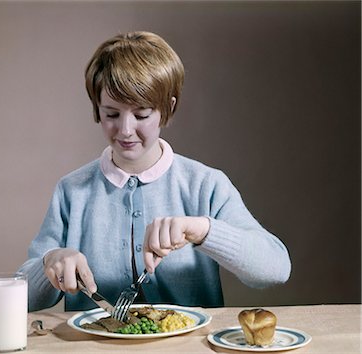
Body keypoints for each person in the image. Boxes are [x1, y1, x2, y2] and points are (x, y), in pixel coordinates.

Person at [18, 31, 291, 312]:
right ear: (96, 110)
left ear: (167, 109)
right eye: (111, 114)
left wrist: (204, 230)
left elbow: (275, 268)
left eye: (141, 114)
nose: (125, 130)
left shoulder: (205, 185)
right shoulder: (71, 191)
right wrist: (49, 261)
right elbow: (22, 298)